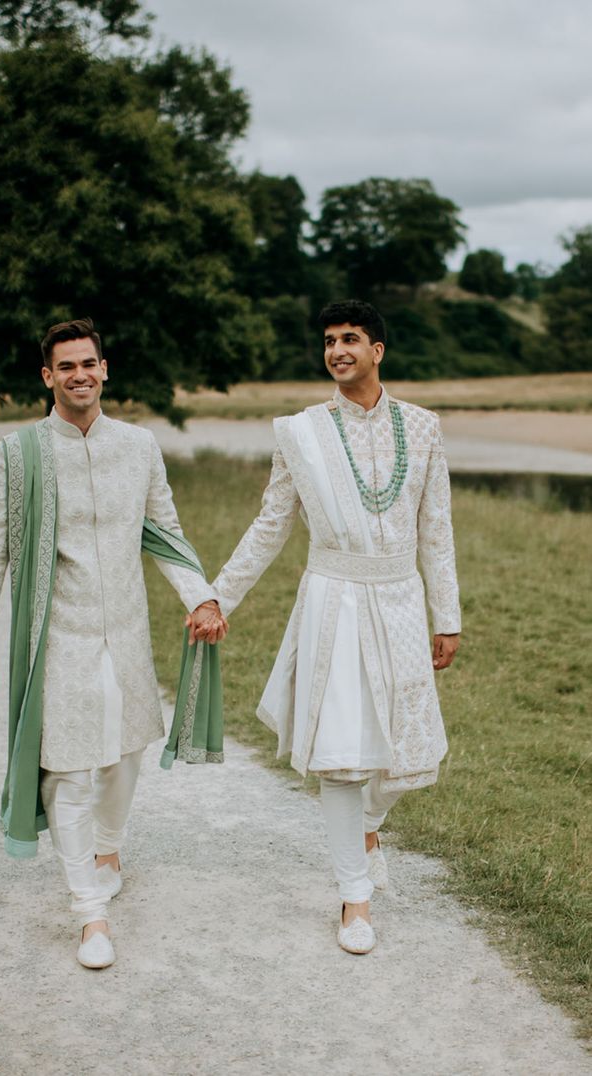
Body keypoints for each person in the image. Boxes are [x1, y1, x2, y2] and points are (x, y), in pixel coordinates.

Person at [0, 317, 227, 969]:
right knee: (68, 768)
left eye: (89, 363)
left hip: (127, 630)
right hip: (57, 635)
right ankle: (89, 913)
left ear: (105, 370)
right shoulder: (19, 453)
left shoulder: (137, 446)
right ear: (47, 377)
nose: (79, 374)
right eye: (66, 366)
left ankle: (110, 846)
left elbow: (165, 531)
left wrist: (202, 596)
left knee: (125, 750)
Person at [208, 299, 461, 955]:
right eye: (328, 340)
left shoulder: (425, 428)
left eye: (350, 338)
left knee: (411, 750)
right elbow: (271, 525)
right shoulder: (300, 433)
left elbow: (436, 530)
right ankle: (355, 897)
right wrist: (218, 599)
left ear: (379, 349)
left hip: (402, 598)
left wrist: (448, 615)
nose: (337, 350)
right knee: (344, 757)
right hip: (334, 598)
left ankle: (369, 828)